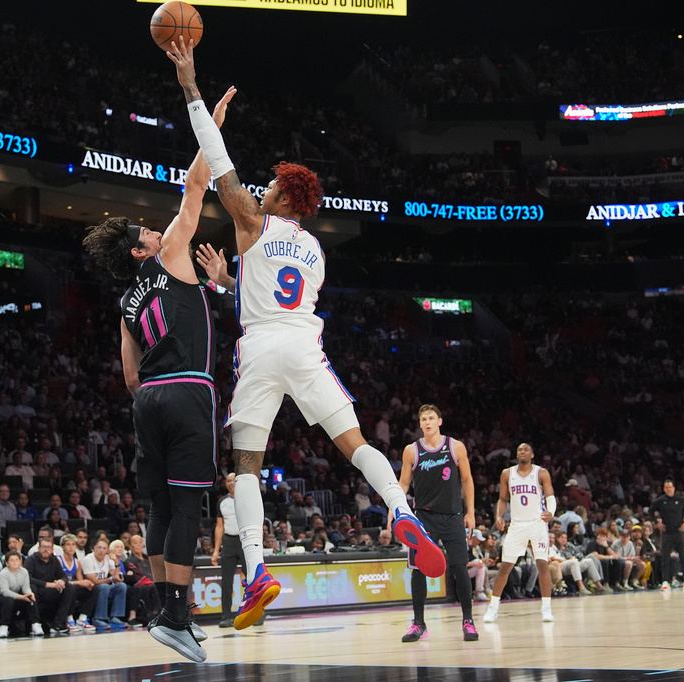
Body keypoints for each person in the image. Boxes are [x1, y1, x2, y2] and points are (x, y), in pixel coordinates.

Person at [167, 37, 445, 634]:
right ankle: (401, 510)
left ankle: (259, 570)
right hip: (305, 346)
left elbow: (219, 164)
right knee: (356, 445)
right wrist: (227, 284)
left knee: (245, 466)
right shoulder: (316, 250)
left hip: (262, 349)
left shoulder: (253, 218)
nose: (261, 190)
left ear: (285, 198)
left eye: (271, 187)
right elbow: (277, 293)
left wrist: (192, 88)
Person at [81, 87, 236, 664]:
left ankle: (162, 613)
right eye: (147, 232)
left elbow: (128, 377)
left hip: (147, 398)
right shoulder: (172, 252)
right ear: (144, 251)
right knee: (188, 510)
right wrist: (211, 127)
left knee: (160, 509)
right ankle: (176, 617)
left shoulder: (124, 304)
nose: (155, 229)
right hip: (188, 389)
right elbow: (196, 186)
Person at [397, 405, 478, 643]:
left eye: (431, 417)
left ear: (440, 421)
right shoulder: (411, 451)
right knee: (418, 569)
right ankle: (419, 623)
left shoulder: (456, 447)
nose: (427, 421)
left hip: (453, 515)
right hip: (423, 517)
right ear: (420, 425)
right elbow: (403, 484)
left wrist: (470, 512)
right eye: (423, 419)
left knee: (460, 567)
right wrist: (396, 507)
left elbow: (467, 479)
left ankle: (468, 621)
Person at [483, 442, 556, 623]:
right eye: (519, 450)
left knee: (542, 564)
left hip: (537, 523)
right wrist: (499, 516)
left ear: (532, 455)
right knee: (505, 566)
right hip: (516, 525)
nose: (522, 452)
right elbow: (502, 499)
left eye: (525, 450)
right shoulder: (507, 474)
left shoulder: (541, 473)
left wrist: (551, 512)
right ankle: (493, 607)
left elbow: (550, 496)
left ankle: (546, 608)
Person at [649, 478, 684, 590]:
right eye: (666, 487)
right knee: (665, 558)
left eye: (670, 487)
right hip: (666, 532)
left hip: (679, 531)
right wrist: (657, 522)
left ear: (674, 488)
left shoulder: (680, 499)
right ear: (664, 489)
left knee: (683, 557)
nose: (668, 489)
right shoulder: (660, 500)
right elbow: (651, 511)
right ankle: (665, 581)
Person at [23, 538, 75, 636]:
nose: (46, 550)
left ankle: (59, 623)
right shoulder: (31, 560)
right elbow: (26, 578)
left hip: (50, 591)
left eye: (48, 547)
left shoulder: (54, 560)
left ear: (52, 550)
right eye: (43, 547)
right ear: (38, 548)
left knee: (69, 588)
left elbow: (64, 576)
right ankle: (35, 623)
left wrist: (61, 581)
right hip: (37, 590)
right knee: (31, 588)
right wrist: (46, 584)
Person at [211, 472, 242, 628]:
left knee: (252, 580)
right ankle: (226, 616)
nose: (231, 483)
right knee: (226, 581)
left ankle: (258, 613)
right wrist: (216, 550)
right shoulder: (222, 502)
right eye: (228, 481)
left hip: (245, 540)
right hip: (229, 541)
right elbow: (219, 527)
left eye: (233, 480)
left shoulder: (247, 499)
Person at [0, 551, 43, 638]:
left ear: (20, 562)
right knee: (9, 600)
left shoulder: (24, 572)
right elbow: (5, 592)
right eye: (12, 560)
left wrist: (29, 594)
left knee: (31, 597)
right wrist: (22, 597)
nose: (15, 562)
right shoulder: (3, 573)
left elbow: (26, 588)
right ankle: (3, 626)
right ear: (7, 563)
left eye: (17, 560)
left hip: (16, 594)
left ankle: (35, 624)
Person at [80, 538, 127, 632]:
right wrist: (110, 579)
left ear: (107, 550)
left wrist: (116, 563)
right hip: (91, 589)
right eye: (99, 547)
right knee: (104, 586)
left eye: (104, 548)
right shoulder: (88, 559)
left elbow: (117, 577)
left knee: (121, 586)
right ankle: (98, 619)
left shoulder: (107, 559)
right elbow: (93, 581)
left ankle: (115, 617)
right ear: (94, 548)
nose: (101, 550)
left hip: (103, 588)